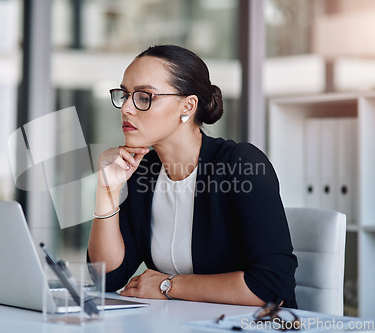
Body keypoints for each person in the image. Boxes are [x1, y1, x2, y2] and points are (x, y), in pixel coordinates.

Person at [87, 45, 297, 308]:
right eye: (125, 95)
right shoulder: (144, 171)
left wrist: (168, 285)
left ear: (187, 106)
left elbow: (271, 286)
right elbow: (105, 277)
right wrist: (106, 192)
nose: (127, 108)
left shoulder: (240, 164)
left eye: (144, 96)